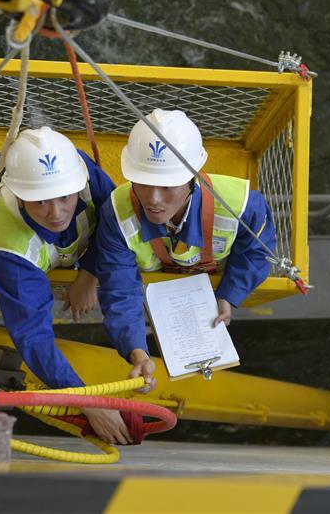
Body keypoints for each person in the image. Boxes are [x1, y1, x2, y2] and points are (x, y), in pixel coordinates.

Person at [95, 109, 276, 394]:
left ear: (193, 177)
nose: (153, 200)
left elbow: (256, 250)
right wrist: (136, 351)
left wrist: (229, 294)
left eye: (167, 186)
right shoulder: (115, 213)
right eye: (143, 183)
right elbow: (119, 287)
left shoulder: (242, 205)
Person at [0, 126, 133, 444]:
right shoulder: (10, 249)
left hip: (74, 252)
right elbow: (34, 336)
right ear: (19, 198)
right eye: (40, 202)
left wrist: (88, 273)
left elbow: (117, 223)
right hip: (30, 263)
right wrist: (87, 402)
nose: (56, 212)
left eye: (64, 198)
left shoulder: (76, 170)